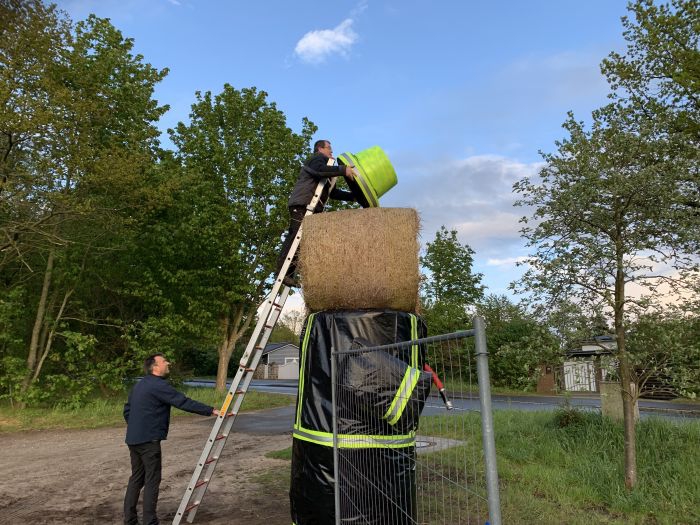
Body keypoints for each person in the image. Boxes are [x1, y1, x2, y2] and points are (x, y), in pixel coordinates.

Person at [123, 353, 219, 525]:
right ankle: (150, 522)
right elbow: (182, 401)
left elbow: (127, 411)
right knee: (152, 480)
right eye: (164, 361)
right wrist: (211, 410)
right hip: (148, 440)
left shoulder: (139, 385)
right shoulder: (158, 385)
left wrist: (136, 427)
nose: (168, 363)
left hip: (134, 439)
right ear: (155, 366)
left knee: (136, 478)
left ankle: (130, 521)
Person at [275, 139, 356, 287]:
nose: (331, 152)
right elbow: (319, 170)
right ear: (320, 149)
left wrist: (353, 196)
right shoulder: (317, 159)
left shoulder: (328, 170)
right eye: (329, 148)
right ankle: (282, 273)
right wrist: (343, 170)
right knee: (295, 237)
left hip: (312, 208)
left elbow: (334, 193)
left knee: (302, 242)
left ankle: (289, 274)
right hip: (302, 204)